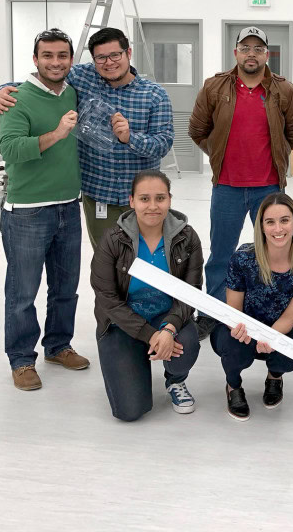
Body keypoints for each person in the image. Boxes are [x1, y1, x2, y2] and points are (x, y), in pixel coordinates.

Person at [0, 27, 175, 250]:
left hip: (142, 198)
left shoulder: (154, 94)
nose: (109, 62)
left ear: (128, 53)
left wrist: (130, 138)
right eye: (101, 57)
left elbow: (163, 144)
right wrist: (3, 89)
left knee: (148, 264)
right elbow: (42, 80)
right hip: (98, 195)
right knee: (107, 266)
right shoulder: (82, 77)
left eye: (115, 55)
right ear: (93, 60)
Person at [188, 26, 293, 338]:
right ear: (236, 52)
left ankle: (271, 311)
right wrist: (219, 155)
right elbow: (197, 130)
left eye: (258, 48)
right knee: (221, 255)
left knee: (273, 252)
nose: (251, 54)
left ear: (267, 54)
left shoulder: (284, 91)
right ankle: (213, 313)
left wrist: (274, 155)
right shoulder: (215, 87)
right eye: (245, 48)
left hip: (269, 189)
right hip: (226, 186)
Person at [0, 28, 88, 391]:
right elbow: (11, 150)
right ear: (35, 59)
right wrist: (57, 134)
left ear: (70, 59)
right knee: (23, 292)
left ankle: (58, 346)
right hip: (28, 211)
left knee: (66, 287)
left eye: (62, 55)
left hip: (69, 205)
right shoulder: (17, 98)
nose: (56, 62)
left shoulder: (72, 91)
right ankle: (21, 360)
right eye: (47, 55)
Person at [90, 170, 203, 421]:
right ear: (131, 201)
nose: (153, 206)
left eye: (160, 198)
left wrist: (169, 329)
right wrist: (151, 335)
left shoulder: (187, 237)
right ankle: (132, 359)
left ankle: (175, 380)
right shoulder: (112, 240)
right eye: (144, 199)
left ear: (170, 200)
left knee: (187, 346)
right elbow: (107, 298)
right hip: (123, 323)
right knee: (129, 411)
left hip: (168, 317)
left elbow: (192, 292)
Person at [211, 193, 293, 421]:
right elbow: (234, 309)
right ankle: (233, 386)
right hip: (241, 326)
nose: (278, 228)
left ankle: (274, 377)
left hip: (277, 327)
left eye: (284, 220)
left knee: (289, 356)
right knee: (234, 350)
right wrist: (240, 329)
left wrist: (270, 337)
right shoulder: (243, 259)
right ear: (261, 226)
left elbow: (290, 316)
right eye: (270, 222)